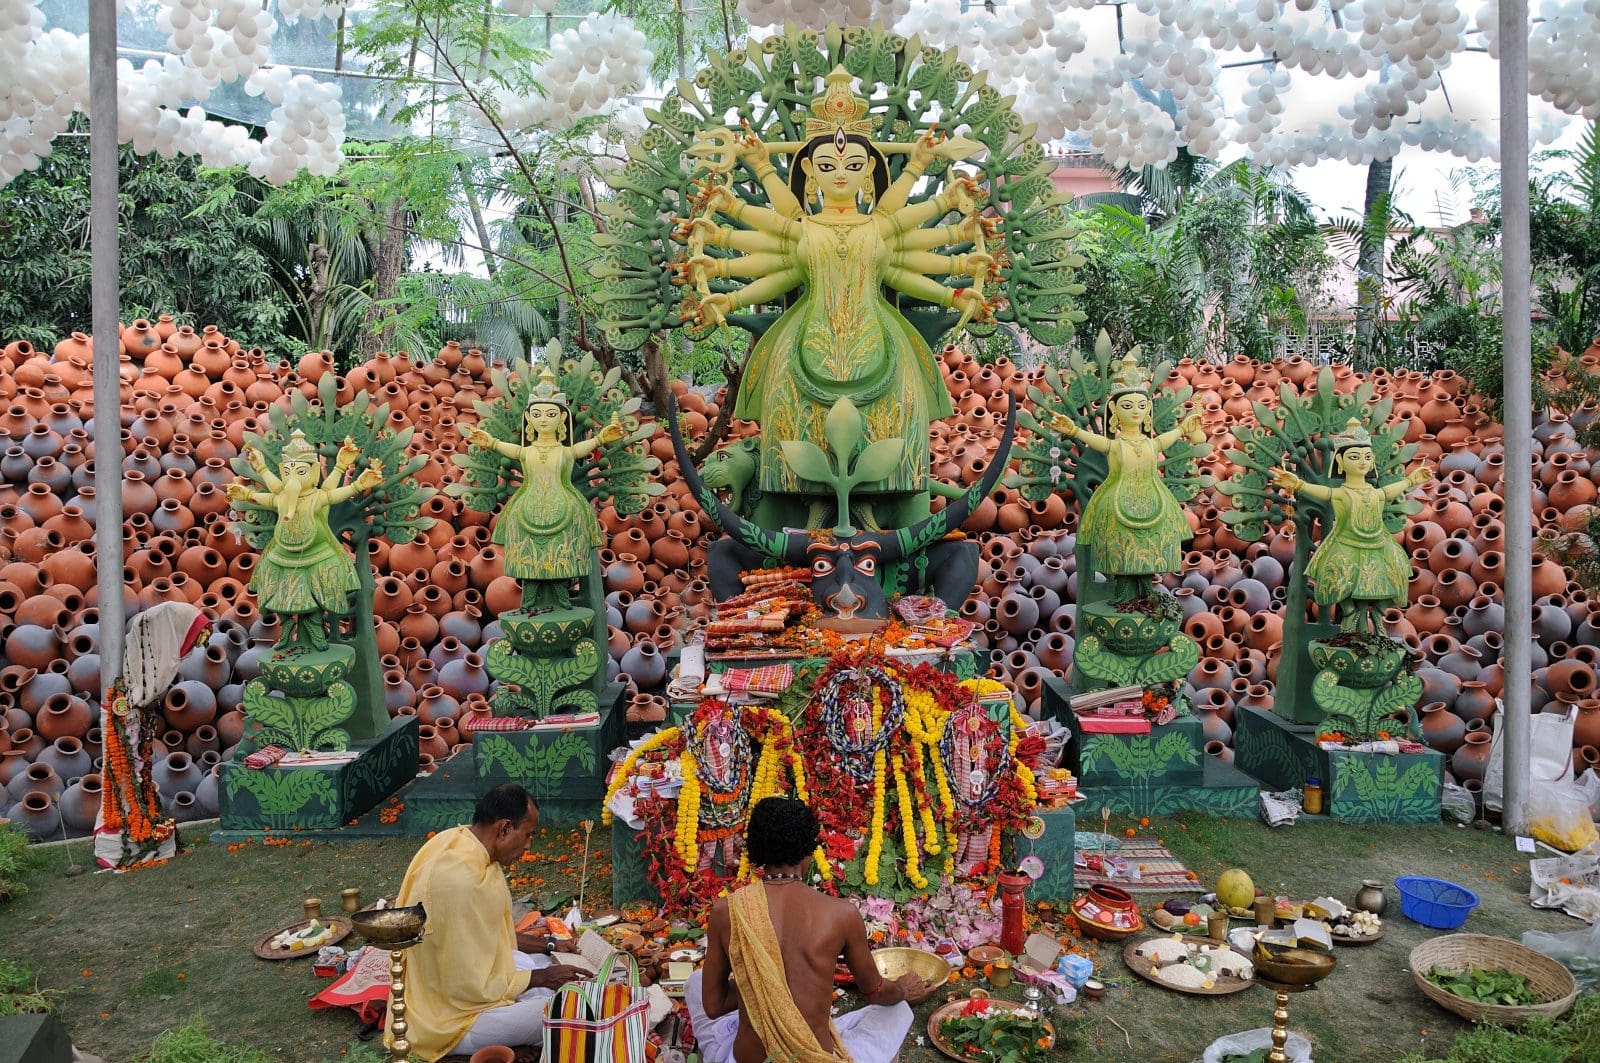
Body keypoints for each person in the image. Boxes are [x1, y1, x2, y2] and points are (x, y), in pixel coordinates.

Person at [679, 66, 994, 527]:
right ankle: (797, 520)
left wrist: (957, 290)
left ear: (869, 171)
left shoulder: (883, 226)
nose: (840, 174)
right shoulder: (799, 227)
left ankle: (892, 518)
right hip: (803, 347)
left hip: (880, 342)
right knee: (788, 425)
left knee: (897, 421)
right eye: (827, 166)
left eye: (852, 165)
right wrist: (725, 294)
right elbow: (774, 268)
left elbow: (913, 267)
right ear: (808, 170)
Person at [689, 797, 921, 1063]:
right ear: (808, 850)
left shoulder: (725, 910)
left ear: (755, 849)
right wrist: (902, 988)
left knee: (695, 984)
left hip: (747, 1059)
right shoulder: (841, 913)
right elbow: (875, 992)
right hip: (812, 1058)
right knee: (896, 1011)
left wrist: (756, 983)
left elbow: (713, 1005)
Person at [386, 784, 586, 1061]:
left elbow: (494, 939)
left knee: (543, 963)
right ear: (504, 829)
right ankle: (496, 1045)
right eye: (527, 835)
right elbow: (467, 985)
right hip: (450, 1021)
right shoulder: (460, 881)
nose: (528, 846)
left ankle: (517, 1025)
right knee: (566, 1011)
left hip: (457, 992)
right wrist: (540, 978)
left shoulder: (458, 841)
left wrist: (549, 945)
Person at [462, 363, 626, 611]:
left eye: (551, 415)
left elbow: (580, 449)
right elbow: (515, 450)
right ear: (528, 417)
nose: (543, 420)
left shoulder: (564, 451)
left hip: (564, 507)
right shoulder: (528, 451)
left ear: (562, 418)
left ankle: (562, 594)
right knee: (529, 558)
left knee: (561, 554)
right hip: (527, 508)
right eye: (537, 415)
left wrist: (602, 438)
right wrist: (491, 442)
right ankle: (528, 598)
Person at [1052, 352, 1204, 598]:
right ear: (1113, 409)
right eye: (1128, 406)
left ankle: (1146, 593)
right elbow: (1099, 442)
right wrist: (1073, 430)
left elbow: (1165, 440)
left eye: (1142, 406)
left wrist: (1185, 428)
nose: (1136, 411)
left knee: (1148, 550)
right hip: (1117, 502)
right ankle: (1123, 595)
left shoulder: (1150, 443)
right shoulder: (1116, 444)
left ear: (1149, 410)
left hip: (1153, 501)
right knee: (1122, 554)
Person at [1272, 418, 1433, 635]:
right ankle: (1350, 627)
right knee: (1346, 595)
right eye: (1354, 457)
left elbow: (1388, 492)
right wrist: (1298, 484)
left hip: (1378, 545)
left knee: (1386, 587)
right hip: (1347, 547)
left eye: (1367, 457)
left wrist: (1412, 481)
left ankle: (1377, 627)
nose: (1362, 462)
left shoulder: (1375, 493)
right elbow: (1325, 493)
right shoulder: (1341, 493)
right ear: (1340, 460)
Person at [227, 429, 383, 649]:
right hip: (283, 555)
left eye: (300, 472)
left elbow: (334, 494)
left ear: (314, 472)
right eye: (288, 472)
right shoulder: (282, 497)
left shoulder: (317, 497)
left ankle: (315, 627)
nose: (293, 479)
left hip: (317, 554)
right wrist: (248, 491)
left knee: (317, 595)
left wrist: (358, 485)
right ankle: (287, 627)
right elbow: (269, 496)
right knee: (277, 589)